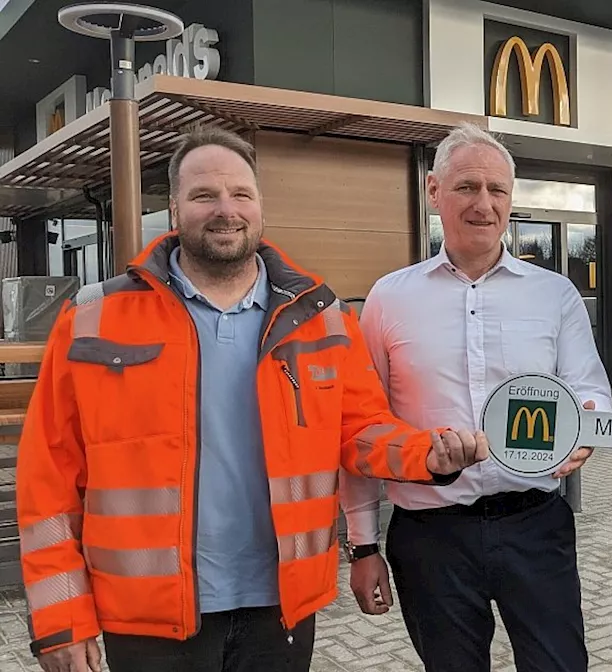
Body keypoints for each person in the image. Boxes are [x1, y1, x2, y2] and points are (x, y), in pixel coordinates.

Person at [16, 124, 489, 672]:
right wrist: (61, 620)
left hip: (279, 610)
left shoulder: (319, 315)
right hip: (145, 619)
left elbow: (360, 430)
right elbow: (46, 479)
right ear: (174, 209)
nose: (226, 209)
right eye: (204, 195)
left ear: (261, 205)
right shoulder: (95, 318)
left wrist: (426, 455)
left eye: (241, 194)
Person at [338, 122, 612, 672]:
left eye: (497, 190)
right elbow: (361, 430)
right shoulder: (390, 299)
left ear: (512, 200)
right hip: (431, 538)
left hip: (535, 525)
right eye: (467, 187)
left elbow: (590, 392)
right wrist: (364, 546)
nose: (483, 204)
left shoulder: (554, 294)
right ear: (435, 192)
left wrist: (587, 428)